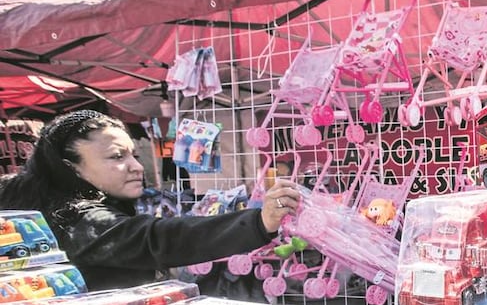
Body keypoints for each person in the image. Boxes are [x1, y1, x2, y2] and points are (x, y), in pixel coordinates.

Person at [0, 110, 300, 291]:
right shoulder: (75, 220)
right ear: (71, 167)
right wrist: (258, 222)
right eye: (117, 157)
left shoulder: (58, 209)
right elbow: (155, 239)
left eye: (132, 153)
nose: (137, 166)